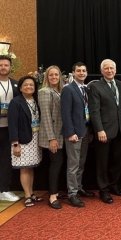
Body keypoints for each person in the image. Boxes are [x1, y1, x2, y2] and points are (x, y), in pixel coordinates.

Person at [88, 59, 121, 204]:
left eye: (112, 68)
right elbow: (94, 111)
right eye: (106, 68)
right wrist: (99, 129)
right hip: (104, 131)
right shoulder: (96, 87)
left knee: (117, 160)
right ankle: (103, 190)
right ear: (102, 71)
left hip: (119, 130)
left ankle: (114, 185)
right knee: (102, 162)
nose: (109, 70)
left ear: (115, 70)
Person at [61, 62, 94, 208]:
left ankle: (79, 187)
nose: (81, 73)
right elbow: (65, 113)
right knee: (73, 165)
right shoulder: (68, 89)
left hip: (85, 131)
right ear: (73, 73)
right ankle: (72, 194)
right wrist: (70, 133)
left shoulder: (86, 88)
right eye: (78, 71)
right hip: (74, 133)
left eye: (84, 71)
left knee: (81, 163)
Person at [8, 76, 43, 207]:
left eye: (31, 85)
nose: (29, 87)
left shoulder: (36, 100)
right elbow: (13, 124)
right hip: (22, 141)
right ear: (21, 87)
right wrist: (15, 144)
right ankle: (27, 195)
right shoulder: (16, 102)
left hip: (35, 138)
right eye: (26, 85)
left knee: (31, 167)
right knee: (24, 169)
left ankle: (32, 193)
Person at [38, 65, 65, 209]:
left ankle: (56, 190)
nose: (54, 77)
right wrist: (51, 138)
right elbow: (46, 117)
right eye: (51, 75)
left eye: (56, 75)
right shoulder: (44, 91)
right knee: (55, 164)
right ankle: (52, 195)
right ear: (46, 77)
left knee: (60, 163)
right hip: (53, 135)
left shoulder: (60, 91)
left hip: (61, 133)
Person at [0, 55, 20, 202]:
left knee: (6, 160)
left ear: (10, 67)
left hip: (9, 128)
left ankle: (4, 189)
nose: (3, 67)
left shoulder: (15, 84)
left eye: (6, 65)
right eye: (0, 65)